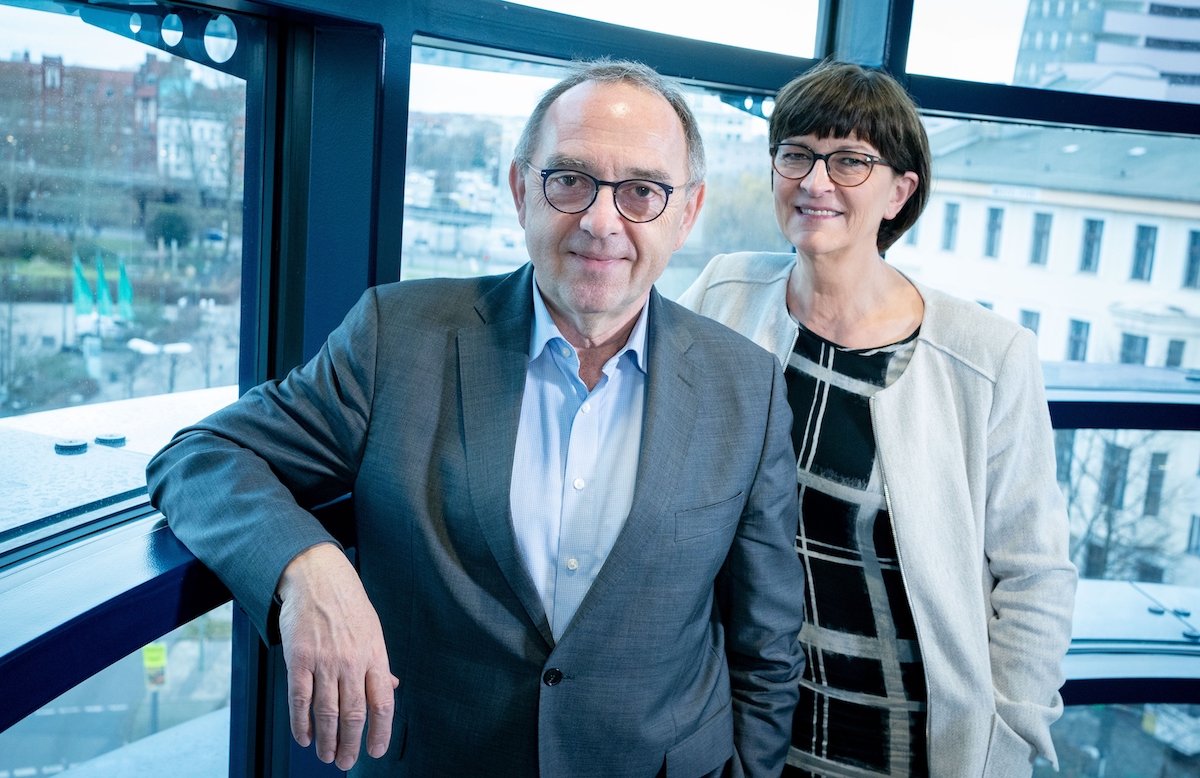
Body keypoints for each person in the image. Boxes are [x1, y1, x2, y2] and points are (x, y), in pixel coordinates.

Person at [147, 59, 806, 778]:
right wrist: (308, 568)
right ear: (522, 189)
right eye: (570, 179)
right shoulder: (397, 338)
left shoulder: (748, 386)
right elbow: (201, 457)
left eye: (642, 191)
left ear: (687, 213)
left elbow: (765, 643)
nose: (599, 220)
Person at [679, 60, 1077, 778]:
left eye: (850, 160)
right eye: (795, 153)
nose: (815, 180)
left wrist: (1007, 738)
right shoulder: (723, 294)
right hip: (744, 718)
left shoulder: (988, 356)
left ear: (900, 191)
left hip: (904, 733)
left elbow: (1034, 576)